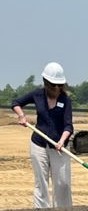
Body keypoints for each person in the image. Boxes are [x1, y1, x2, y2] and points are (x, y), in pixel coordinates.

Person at [11, 62, 73, 208]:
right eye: (53, 85)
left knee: (62, 184)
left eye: (60, 85)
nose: (57, 88)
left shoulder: (65, 100)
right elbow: (16, 103)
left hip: (60, 147)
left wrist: (62, 140)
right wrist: (21, 116)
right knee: (41, 183)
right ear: (46, 83)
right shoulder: (37, 94)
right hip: (38, 145)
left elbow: (68, 126)